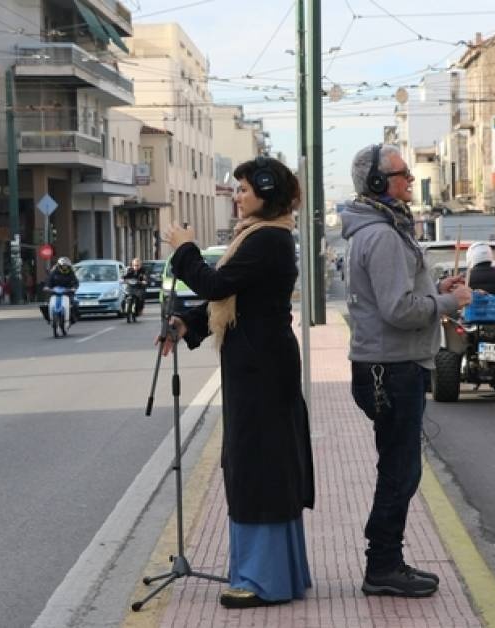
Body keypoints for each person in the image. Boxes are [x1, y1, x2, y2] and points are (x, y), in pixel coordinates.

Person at [159, 156, 314, 610]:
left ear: (266, 192)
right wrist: (188, 324)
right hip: (259, 364)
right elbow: (237, 297)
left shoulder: (267, 239)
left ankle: (262, 580)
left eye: (244, 189)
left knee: (256, 466)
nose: (238, 197)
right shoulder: (262, 236)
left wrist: (185, 249)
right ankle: (272, 572)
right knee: (257, 464)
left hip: (260, 369)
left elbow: (216, 285)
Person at [341, 144, 472, 598]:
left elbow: (396, 295)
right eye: (403, 174)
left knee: (398, 468)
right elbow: (397, 309)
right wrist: (448, 302)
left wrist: (435, 290)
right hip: (391, 369)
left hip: (388, 365)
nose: (411, 181)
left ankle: (386, 561)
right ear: (378, 182)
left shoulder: (381, 228)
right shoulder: (381, 235)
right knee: (400, 471)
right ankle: (382, 566)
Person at [46, 257, 79, 323]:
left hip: (67, 291)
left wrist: (74, 288)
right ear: (59, 265)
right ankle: (49, 318)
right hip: (55, 291)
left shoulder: (71, 273)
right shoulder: (54, 272)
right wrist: (47, 287)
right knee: (46, 304)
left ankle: (73, 318)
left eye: (66, 265)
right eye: (63, 265)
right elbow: (49, 280)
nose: (64, 267)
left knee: (74, 303)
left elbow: (76, 282)